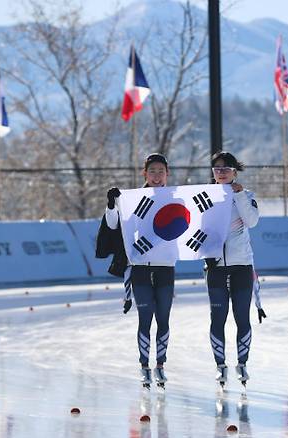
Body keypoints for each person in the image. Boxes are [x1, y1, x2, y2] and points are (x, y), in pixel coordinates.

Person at [102, 153, 175, 389]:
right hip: (140, 268)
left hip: (165, 268)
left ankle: (160, 365)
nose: (156, 176)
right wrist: (112, 204)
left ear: (167, 174)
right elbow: (114, 224)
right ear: (144, 173)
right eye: (151, 171)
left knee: (163, 320)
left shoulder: (179, 199)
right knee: (145, 319)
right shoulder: (133, 199)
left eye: (160, 171)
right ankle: (144, 367)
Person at [205, 151, 266, 388]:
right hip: (216, 267)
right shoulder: (204, 197)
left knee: (242, 318)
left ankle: (242, 362)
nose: (221, 172)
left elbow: (251, 221)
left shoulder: (246, 195)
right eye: (217, 169)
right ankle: (220, 365)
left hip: (241, 265)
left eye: (226, 168)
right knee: (217, 319)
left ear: (234, 171)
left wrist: (239, 195)